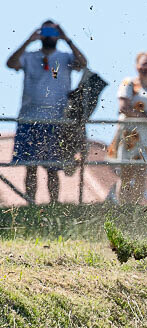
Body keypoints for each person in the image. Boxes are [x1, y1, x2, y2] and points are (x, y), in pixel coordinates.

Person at [6, 20, 87, 203]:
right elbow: (11, 63)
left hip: (56, 120)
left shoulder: (65, 57)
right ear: (40, 33)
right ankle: (30, 204)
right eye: (46, 31)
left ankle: (54, 205)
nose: (49, 35)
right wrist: (29, 40)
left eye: (53, 31)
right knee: (30, 167)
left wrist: (67, 39)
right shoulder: (29, 56)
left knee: (53, 168)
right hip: (29, 119)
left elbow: (82, 63)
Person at [113, 52, 147, 204]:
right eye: (143, 63)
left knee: (142, 172)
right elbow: (123, 107)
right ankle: (123, 206)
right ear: (136, 66)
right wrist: (145, 118)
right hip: (129, 134)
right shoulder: (128, 83)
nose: (146, 67)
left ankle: (135, 207)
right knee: (126, 173)